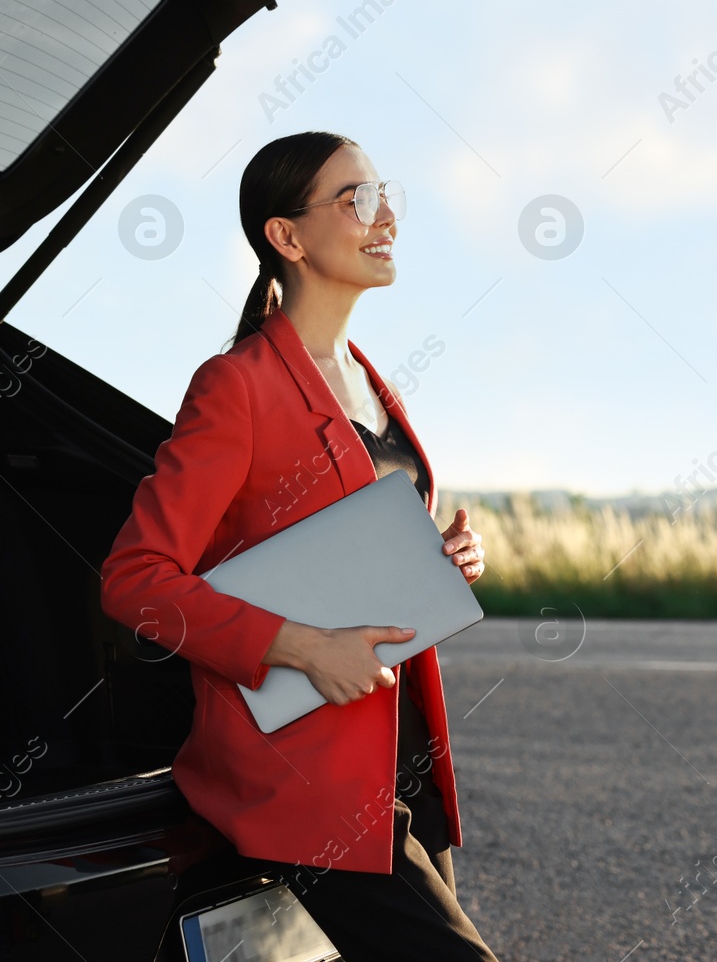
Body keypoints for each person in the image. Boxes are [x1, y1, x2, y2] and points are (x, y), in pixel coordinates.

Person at [98, 131, 498, 961]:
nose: (384, 215)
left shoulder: (364, 372)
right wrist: (305, 647)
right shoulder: (236, 385)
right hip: (310, 777)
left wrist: (441, 554)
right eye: (355, 199)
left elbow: (342, 535)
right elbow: (135, 580)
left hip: (403, 756)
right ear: (286, 237)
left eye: (384, 193)